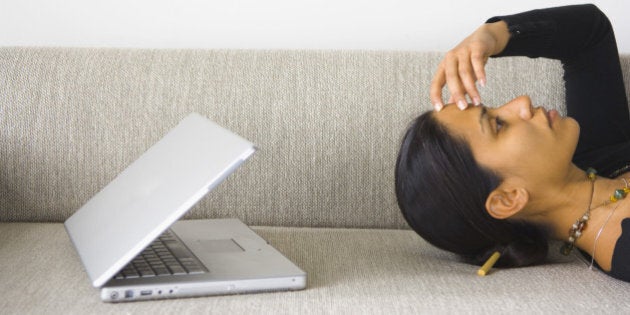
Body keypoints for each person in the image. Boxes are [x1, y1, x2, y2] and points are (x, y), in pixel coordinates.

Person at [395, 4, 630, 282]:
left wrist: (493, 34)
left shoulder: (598, 155)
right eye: (498, 124)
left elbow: (589, 35)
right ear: (508, 199)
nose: (522, 103)